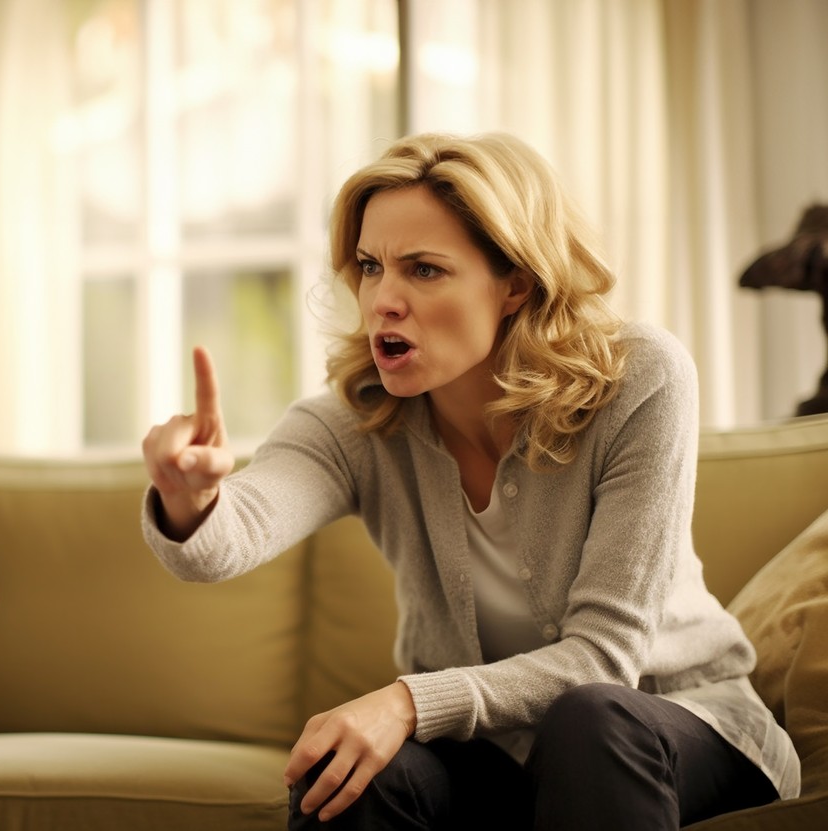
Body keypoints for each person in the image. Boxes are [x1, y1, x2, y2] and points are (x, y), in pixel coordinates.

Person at [140, 133, 799, 829]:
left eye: (423, 270)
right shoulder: (355, 424)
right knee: (349, 775)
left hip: (676, 727)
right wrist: (192, 497)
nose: (382, 300)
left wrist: (406, 700)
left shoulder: (639, 379)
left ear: (514, 282)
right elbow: (227, 537)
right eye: (369, 266)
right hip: (495, 756)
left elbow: (605, 661)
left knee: (590, 720)